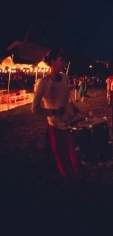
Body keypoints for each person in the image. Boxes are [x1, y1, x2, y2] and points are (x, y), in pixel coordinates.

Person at [31, 48, 82, 183]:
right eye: (61, 60)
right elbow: (34, 108)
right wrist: (53, 112)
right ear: (53, 62)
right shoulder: (44, 83)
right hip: (56, 125)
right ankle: (69, 180)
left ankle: (78, 176)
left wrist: (74, 107)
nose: (64, 62)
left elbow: (66, 99)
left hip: (70, 122)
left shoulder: (65, 78)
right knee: (61, 155)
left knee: (74, 151)